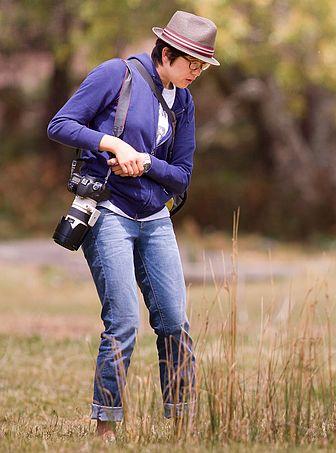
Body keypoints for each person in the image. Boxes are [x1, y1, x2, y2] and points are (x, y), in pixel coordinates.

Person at [47, 11, 220, 441]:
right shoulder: (115, 74)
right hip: (107, 213)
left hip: (156, 219)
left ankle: (182, 426)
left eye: (203, 66)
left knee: (175, 321)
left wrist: (145, 162)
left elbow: (181, 176)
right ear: (166, 53)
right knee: (123, 322)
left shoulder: (183, 100)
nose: (197, 72)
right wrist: (111, 142)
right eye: (192, 63)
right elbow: (60, 125)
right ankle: (105, 430)